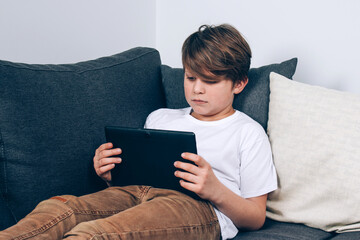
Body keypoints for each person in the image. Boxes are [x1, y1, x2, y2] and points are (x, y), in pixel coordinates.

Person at [0, 24, 277, 240]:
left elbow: (255, 217)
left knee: (95, 233)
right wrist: (111, 175)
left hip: (199, 208)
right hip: (134, 192)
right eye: (191, 77)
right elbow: (130, 184)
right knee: (58, 211)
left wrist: (214, 190)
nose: (197, 89)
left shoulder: (248, 133)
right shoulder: (160, 118)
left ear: (239, 83)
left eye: (210, 81)